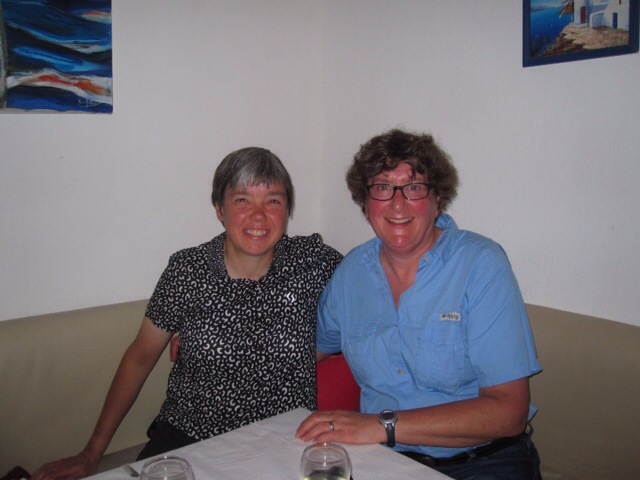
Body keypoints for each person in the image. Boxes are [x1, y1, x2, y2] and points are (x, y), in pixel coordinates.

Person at [32, 147, 342, 480]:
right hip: (189, 439)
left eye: (273, 201)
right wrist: (91, 454)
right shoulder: (187, 271)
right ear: (219, 209)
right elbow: (139, 358)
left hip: (285, 438)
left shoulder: (312, 262)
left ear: (287, 210)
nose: (258, 215)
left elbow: (368, 287)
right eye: (241, 200)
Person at [296, 129, 542, 479]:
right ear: (365, 204)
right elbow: (310, 349)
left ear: (437, 198)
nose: (398, 204)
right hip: (385, 463)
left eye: (413, 187)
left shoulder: (481, 264)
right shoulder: (351, 274)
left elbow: (509, 412)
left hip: (483, 463)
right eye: (383, 187)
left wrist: (382, 425)